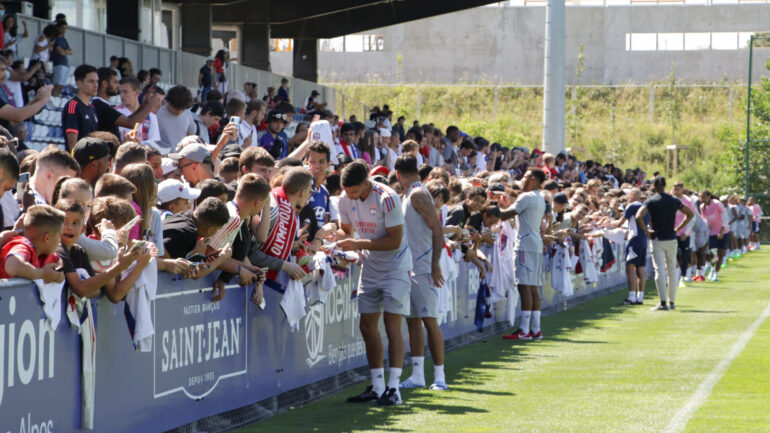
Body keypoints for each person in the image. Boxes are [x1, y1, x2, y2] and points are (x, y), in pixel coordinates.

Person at [337, 161, 412, 406]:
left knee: (392, 326)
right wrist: (331, 238)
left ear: (367, 183)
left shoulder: (387, 198)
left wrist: (359, 244)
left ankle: (394, 388)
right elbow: (346, 231)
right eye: (346, 191)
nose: (350, 196)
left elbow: (394, 241)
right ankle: (378, 386)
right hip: (370, 266)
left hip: (395, 265)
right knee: (367, 326)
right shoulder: (345, 198)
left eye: (355, 192)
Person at [392, 154, 448, 391]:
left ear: (397, 174)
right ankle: (417, 375)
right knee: (414, 321)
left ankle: (440, 378)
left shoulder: (418, 194)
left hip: (424, 267)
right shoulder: (411, 195)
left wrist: (435, 264)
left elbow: (437, 229)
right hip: (410, 268)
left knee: (429, 321)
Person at [500, 168, 547, 340]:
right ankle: (535, 329)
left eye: (525, 177)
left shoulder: (526, 197)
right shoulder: (539, 197)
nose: (522, 179)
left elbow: (506, 215)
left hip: (525, 244)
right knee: (533, 287)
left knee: (524, 286)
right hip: (534, 244)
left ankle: (524, 330)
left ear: (533, 179)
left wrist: (494, 205)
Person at [635, 176, 694, 311]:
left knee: (659, 270)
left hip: (657, 239)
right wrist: (679, 228)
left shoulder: (651, 201)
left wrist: (646, 231)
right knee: (672, 270)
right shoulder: (674, 200)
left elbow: (639, 216)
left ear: (654, 186)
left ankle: (662, 302)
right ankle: (672, 301)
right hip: (672, 238)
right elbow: (690, 214)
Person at [162, 197, 233, 301]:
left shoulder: (186, 215)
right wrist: (222, 257)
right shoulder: (188, 234)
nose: (216, 232)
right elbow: (195, 274)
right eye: (217, 229)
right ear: (210, 229)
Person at [0, 204, 65, 282]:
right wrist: (42, 274)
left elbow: (58, 260)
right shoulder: (22, 246)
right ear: (47, 238)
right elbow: (12, 267)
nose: (60, 241)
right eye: (59, 235)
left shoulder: (43, 253)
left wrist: (57, 272)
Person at [613, 188, 648, 305]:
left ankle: (632, 296)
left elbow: (620, 223)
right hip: (643, 240)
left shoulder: (631, 206)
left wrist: (606, 223)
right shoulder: (646, 207)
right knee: (640, 270)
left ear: (633, 195)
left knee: (630, 268)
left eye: (629, 196)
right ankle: (640, 297)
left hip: (633, 240)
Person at [62, 65, 100, 150]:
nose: (95, 85)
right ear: (79, 83)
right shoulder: (73, 106)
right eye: (91, 81)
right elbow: (72, 144)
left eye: (97, 81)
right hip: (79, 161)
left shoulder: (93, 108)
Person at [116, 76, 161, 142]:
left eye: (125, 92)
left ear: (137, 92)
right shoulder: (116, 112)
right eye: (120, 92)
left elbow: (154, 143)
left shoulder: (151, 116)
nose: (121, 95)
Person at [156, 85, 196, 154]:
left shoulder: (188, 114)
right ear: (168, 102)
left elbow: (191, 136)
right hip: (162, 157)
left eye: (182, 109)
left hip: (181, 157)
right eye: (176, 108)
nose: (179, 111)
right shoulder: (157, 114)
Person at [699, 190, 728, 282]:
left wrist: (722, 231)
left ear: (709, 196)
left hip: (724, 231)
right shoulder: (702, 207)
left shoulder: (716, 204)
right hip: (712, 232)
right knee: (712, 253)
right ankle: (712, 268)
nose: (702, 199)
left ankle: (716, 274)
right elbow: (704, 221)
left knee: (720, 254)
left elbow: (725, 217)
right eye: (700, 197)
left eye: (703, 197)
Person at [672, 181, 696, 287]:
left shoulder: (688, 201)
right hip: (673, 232)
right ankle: (675, 278)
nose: (675, 190)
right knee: (673, 255)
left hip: (684, 233)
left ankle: (684, 276)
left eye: (677, 188)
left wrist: (686, 233)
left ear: (682, 189)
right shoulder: (670, 199)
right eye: (674, 188)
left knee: (684, 255)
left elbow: (693, 218)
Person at [305, 141, 332, 226]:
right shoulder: (302, 188)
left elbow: (325, 223)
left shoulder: (325, 192)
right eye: (312, 161)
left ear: (328, 164)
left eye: (321, 161)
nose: (317, 166)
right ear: (306, 162)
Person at [51, 21, 72, 97]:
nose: (64, 30)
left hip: (65, 64)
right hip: (58, 63)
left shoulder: (64, 39)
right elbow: (60, 52)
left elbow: (71, 51)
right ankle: (53, 98)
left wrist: (64, 51)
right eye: (63, 28)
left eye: (65, 28)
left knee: (62, 85)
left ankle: (56, 99)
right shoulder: (56, 38)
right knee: (57, 84)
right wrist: (65, 51)